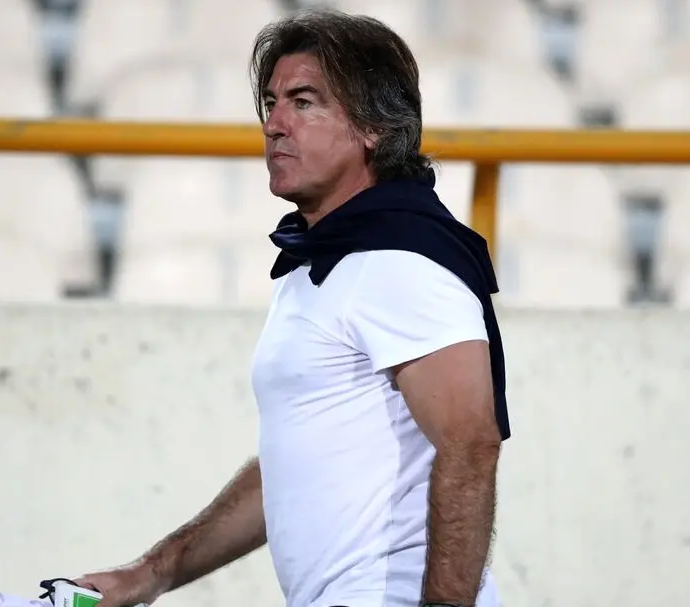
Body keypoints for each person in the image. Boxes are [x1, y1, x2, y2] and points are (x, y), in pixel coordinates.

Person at [74, 8, 510, 607]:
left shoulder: (401, 259)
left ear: (373, 127)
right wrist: (153, 572)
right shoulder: (326, 258)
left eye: (304, 102)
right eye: (271, 103)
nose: (275, 124)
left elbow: (471, 442)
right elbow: (292, 471)